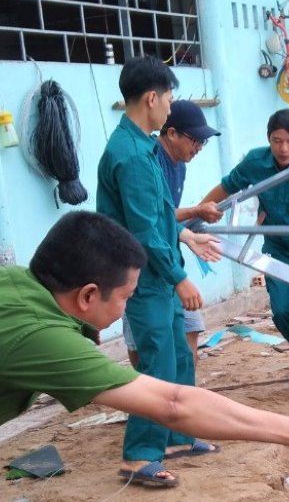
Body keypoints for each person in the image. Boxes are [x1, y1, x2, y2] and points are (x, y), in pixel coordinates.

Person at [0, 212, 289, 499]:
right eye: (125, 296)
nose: (126, 306)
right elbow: (172, 403)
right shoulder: (40, 339)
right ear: (87, 295)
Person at [96, 56, 222, 483]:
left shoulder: (144, 145)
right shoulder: (130, 155)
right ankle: (138, 454)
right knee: (155, 365)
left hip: (159, 274)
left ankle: (178, 435)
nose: (170, 106)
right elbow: (145, 231)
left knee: (178, 358)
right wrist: (178, 276)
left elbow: (164, 215)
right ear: (152, 98)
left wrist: (185, 243)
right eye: (168, 98)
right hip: (143, 277)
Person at [200, 109, 289, 403]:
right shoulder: (256, 162)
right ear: (268, 140)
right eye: (276, 141)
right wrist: (198, 210)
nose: (283, 149)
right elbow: (228, 185)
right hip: (277, 250)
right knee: (282, 311)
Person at [122, 100, 223, 373]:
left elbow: (164, 217)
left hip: (166, 260)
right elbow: (148, 220)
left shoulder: (179, 165)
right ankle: (149, 394)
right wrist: (196, 212)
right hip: (142, 267)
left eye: (203, 141)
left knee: (189, 329)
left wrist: (187, 236)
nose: (199, 147)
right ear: (172, 133)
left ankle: (183, 395)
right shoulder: (144, 159)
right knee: (148, 345)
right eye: (196, 140)